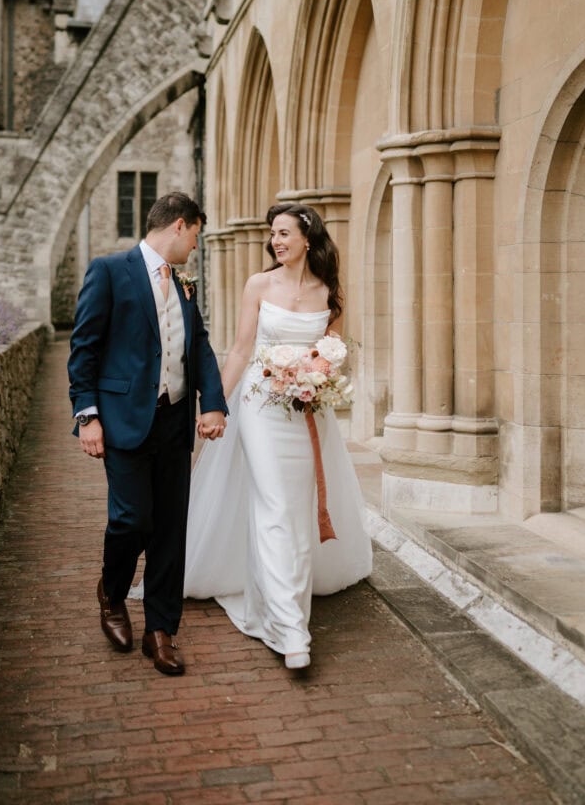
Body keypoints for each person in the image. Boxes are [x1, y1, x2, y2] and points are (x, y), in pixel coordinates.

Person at [184, 203, 372, 670]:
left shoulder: (329, 291)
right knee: (273, 505)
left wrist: (317, 373)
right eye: (273, 234)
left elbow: (332, 349)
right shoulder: (259, 285)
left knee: (297, 508)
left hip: (306, 412)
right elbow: (240, 350)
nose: (276, 241)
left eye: (284, 233)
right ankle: (290, 628)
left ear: (308, 238)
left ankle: (286, 602)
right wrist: (213, 405)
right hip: (260, 407)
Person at [68, 191, 227, 676]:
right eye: (195, 235)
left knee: (170, 529)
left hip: (174, 422)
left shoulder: (184, 284)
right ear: (179, 225)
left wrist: (212, 402)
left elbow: (198, 347)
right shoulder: (109, 271)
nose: (195, 246)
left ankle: (161, 630)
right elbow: (84, 347)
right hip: (123, 420)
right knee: (132, 518)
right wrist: (87, 416)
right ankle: (112, 593)